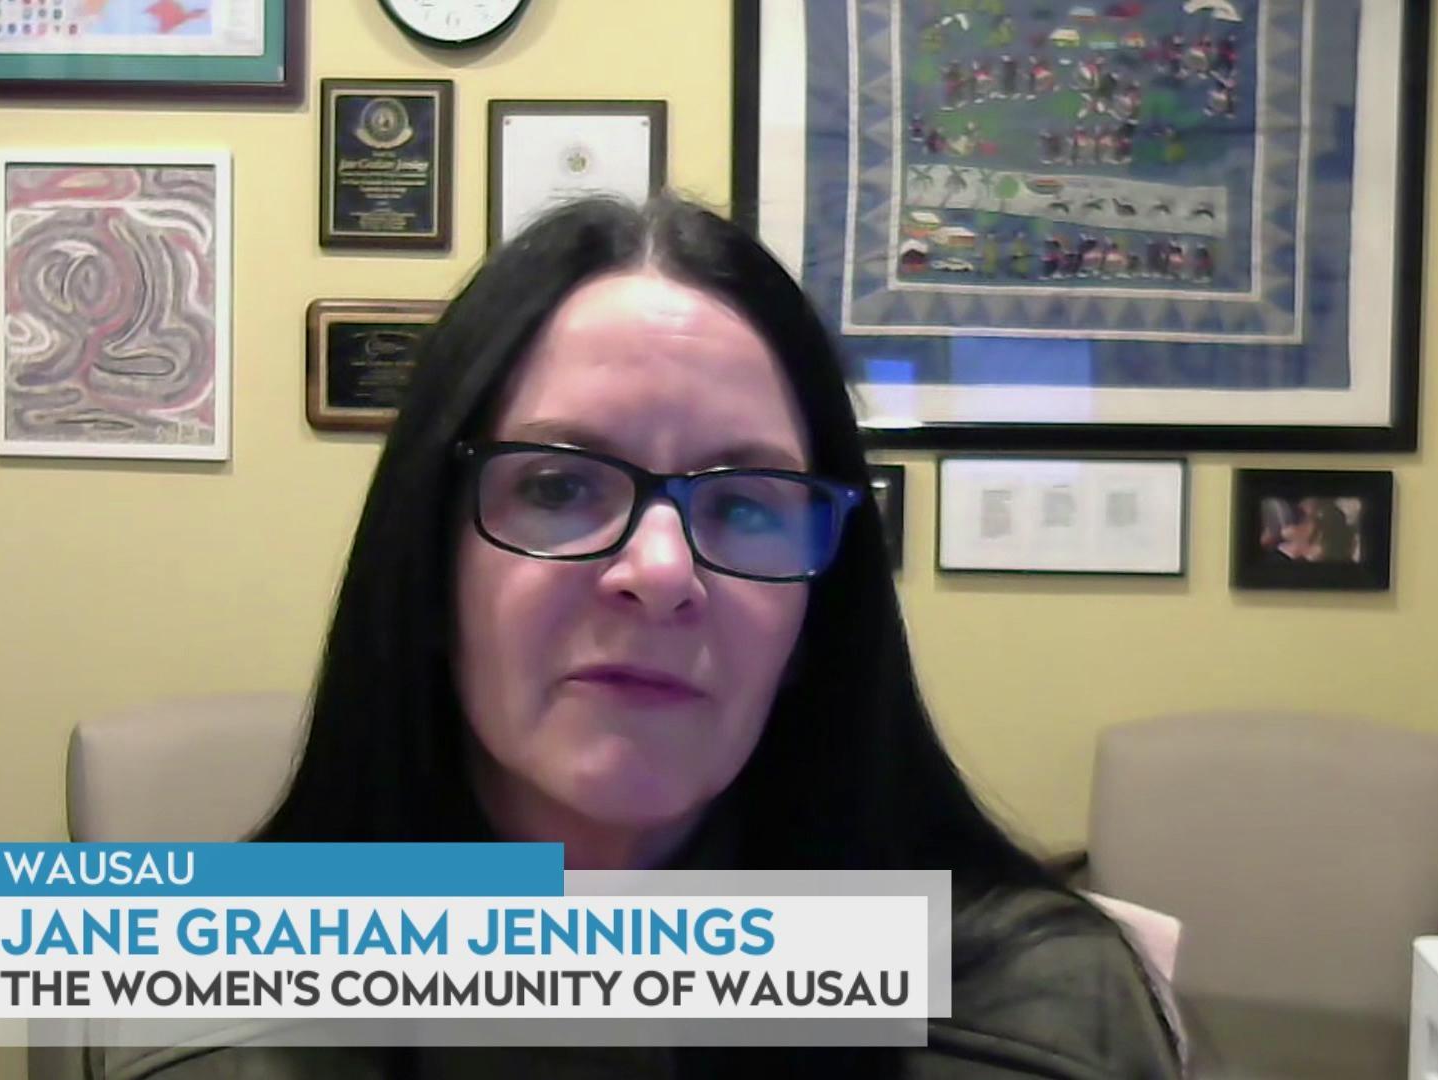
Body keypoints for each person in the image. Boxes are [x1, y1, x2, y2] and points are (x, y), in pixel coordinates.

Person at [99, 196, 1182, 1078]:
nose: (661, 573)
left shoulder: (1035, 1015)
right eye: (561, 484)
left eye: (749, 503)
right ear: (428, 571)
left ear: (815, 620)